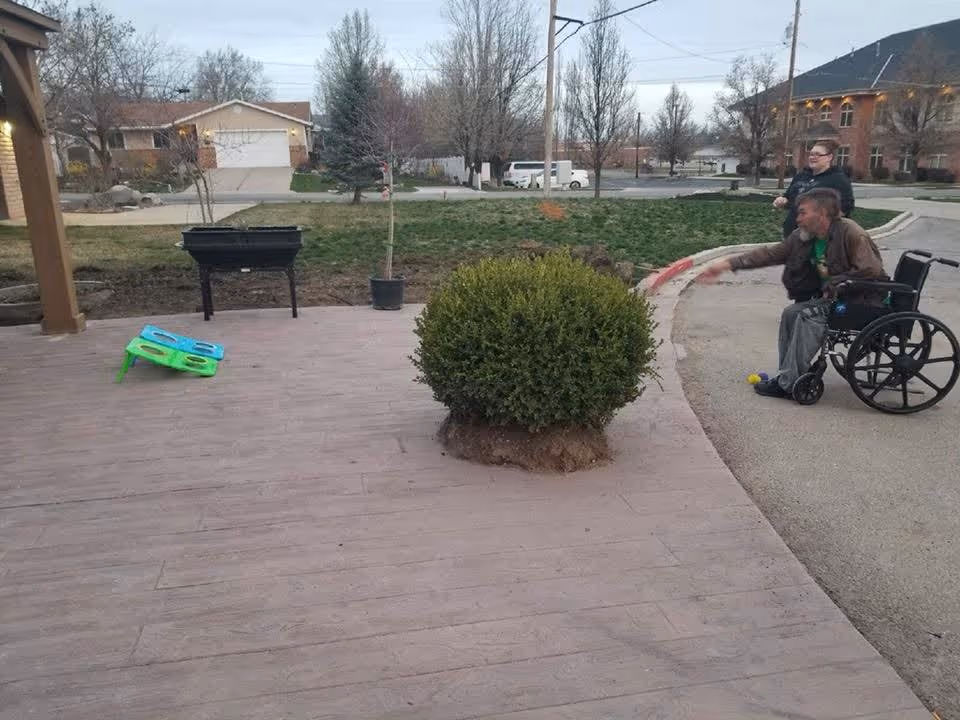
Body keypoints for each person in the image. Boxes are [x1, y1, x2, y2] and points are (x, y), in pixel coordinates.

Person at [700, 187, 887, 400]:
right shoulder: (803, 237)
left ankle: (788, 384)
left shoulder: (851, 232)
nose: (797, 218)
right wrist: (727, 264)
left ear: (823, 213)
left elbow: (870, 269)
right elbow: (771, 254)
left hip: (861, 301)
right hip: (835, 299)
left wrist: (836, 283)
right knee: (791, 312)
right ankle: (788, 375)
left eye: (803, 212)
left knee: (808, 316)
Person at [774, 139, 854, 240]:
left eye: (817, 154)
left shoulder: (838, 179)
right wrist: (782, 200)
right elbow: (789, 197)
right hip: (792, 233)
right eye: (811, 154)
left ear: (829, 157)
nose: (812, 157)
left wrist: (821, 224)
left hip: (819, 236)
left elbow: (846, 206)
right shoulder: (801, 176)